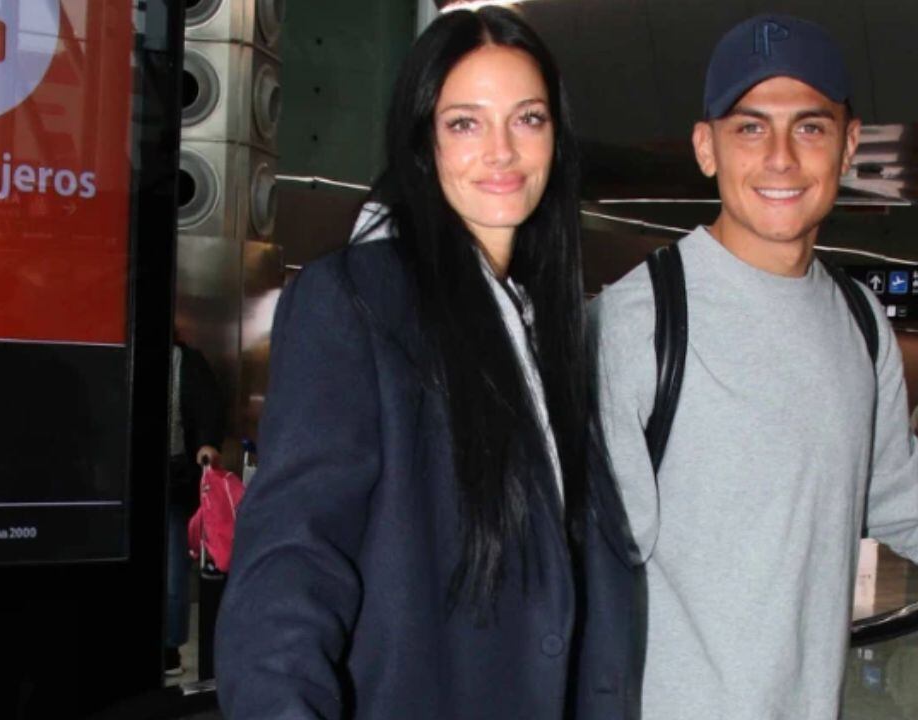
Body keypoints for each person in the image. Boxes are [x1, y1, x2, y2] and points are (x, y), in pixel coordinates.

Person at [589, 14, 918, 719]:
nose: (780, 157)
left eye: (809, 128)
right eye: (750, 127)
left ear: (848, 147)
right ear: (706, 147)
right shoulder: (636, 324)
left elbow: (909, 503)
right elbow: (567, 571)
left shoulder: (857, 320)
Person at [215, 9, 631, 718]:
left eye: (527, 119)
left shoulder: (539, 321)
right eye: (465, 123)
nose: (500, 151)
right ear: (423, 142)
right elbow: (293, 558)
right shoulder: (357, 300)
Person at [165, 332, 224, 676]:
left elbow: (207, 408)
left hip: (176, 472)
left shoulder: (188, 362)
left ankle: (170, 646)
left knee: (174, 562)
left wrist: (206, 444)